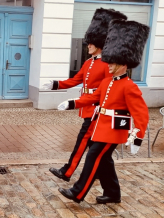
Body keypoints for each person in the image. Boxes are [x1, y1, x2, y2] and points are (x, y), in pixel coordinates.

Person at [57, 19, 150, 204]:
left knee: (94, 156)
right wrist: (72, 103)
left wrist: (138, 137)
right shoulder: (107, 82)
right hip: (101, 127)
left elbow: (141, 113)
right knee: (105, 161)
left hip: (114, 132)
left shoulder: (129, 86)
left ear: (123, 64)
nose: (108, 66)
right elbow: (92, 98)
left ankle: (78, 192)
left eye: (112, 63)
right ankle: (113, 193)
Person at [42, 8, 127, 182]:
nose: (87, 45)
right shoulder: (89, 62)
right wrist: (55, 84)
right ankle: (110, 188)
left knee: (82, 143)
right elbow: (75, 80)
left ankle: (67, 171)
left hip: (96, 111)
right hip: (87, 108)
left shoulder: (107, 64)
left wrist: (80, 102)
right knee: (100, 156)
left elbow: (105, 90)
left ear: (99, 43)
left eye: (91, 43)